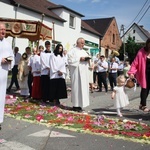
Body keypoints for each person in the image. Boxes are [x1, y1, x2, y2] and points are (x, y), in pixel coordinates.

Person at [68, 37, 90, 112]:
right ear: (77, 43)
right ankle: (75, 105)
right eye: (82, 43)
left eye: (84, 43)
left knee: (83, 89)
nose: (83, 45)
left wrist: (88, 60)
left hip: (83, 73)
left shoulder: (84, 52)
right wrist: (79, 59)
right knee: (76, 88)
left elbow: (88, 60)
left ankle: (81, 105)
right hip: (76, 72)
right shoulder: (72, 51)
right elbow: (69, 60)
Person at [128, 38, 150, 112]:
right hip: (144, 73)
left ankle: (141, 104)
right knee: (145, 89)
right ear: (147, 44)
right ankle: (143, 105)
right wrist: (131, 72)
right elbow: (135, 63)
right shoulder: (141, 52)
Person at [0, 22, 14, 128]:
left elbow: (12, 56)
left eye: (4, 29)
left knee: (1, 97)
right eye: (1, 29)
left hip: (3, 73)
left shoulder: (8, 44)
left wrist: (9, 61)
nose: (3, 31)